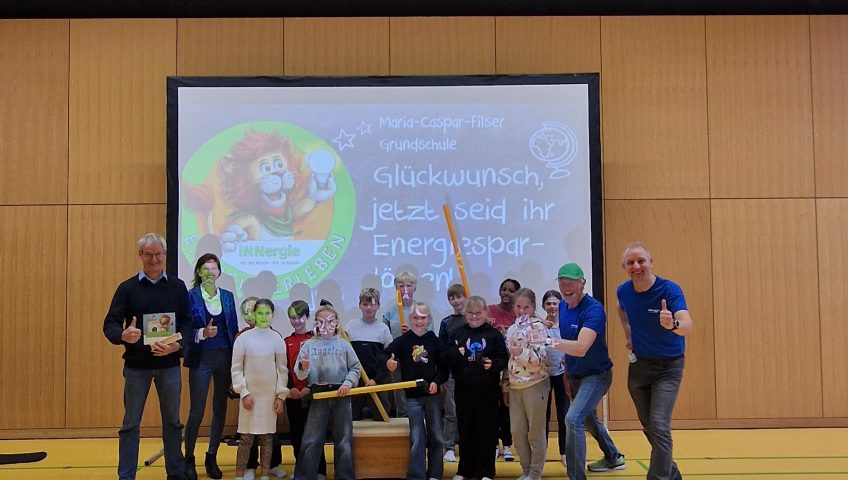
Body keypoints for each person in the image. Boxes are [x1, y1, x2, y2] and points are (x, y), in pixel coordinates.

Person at [102, 233, 190, 480]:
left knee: (173, 423)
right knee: (130, 424)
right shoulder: (127, 288)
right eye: (148, 254)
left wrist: (177, 346)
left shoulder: (177, 287)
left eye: (158, 254)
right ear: (140, 255)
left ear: (165, 255)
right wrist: (122, 335)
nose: (154, 259)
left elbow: (188, 323)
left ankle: (175, 473)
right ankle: (126, 476)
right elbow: (110, 324)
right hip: (136, 366)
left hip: (169, 365)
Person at [616, 243, 693, 480]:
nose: (636, 266)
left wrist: (672, 324)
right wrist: (628, 334)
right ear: (624, 267)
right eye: (630, 262)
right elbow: (621, 309)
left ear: (651, 262)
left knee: (658, 424)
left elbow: (687, 325)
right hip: (639, 366)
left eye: (641, 260)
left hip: (668, 368)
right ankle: (672, 473)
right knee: (650, 427)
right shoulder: (624, 291)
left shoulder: (670, 290)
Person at [551, 263, 625, 480]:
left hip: (597, 375)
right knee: (589, 419)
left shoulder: (593, 309)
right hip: (574, 374)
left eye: (571, 283)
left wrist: (547, 341)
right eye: (562, 283)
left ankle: (576, 476)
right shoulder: (563, 306)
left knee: (573, 418)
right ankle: (613, 457)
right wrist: (566, 374)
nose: (566, 288)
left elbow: (581, 348)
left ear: (582, 283)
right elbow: (568, 345)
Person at [183, 253, 240, 480]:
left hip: (224, 356)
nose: (210, 272)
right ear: (198, 272)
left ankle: (212, 455)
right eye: (205, 268)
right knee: (197, 410)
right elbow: (183, 329)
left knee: (220, 408)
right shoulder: (190, 296)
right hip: (202, 358)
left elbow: (234, 329)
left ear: (219, 272)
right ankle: (189, 458)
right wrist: (202, 333)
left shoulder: (227, 296)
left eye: (214, 268)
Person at [293, 305, 362, 480]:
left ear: (337, 323)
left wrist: (347, 383)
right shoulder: (309, 345)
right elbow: (299, 373)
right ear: (316, 323)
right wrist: (304, 367)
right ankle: (304, 476)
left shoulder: (344, 344)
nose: (326, 325)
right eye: (321, 322)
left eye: (330, 321)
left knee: (344, 440)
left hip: (341, 393)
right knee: (311, 439)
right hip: (319, 395)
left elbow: (355, 368)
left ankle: (345, 476)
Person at [444, 295, 508, 480]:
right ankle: (464, 470)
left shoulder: (493, 334)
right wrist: (455, 353)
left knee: (486, 430)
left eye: (478, 313)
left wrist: (493, 364)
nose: (474, 317)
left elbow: (503, 359)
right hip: (464, 389)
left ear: (485, 313)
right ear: (465, 313)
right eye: (470, 313)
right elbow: (446, 356)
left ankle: (486, 471)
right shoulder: (457, 333)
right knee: (465, 429)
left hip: (487, 390)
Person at [384, 301, 449, 480]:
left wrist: (437, 381)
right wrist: (388, 362)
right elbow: (385, 354)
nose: (419, 321)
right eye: (415, 317)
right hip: (412, 398)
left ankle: (435, 474)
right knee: (417, 437)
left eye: (423, 318)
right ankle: (417, 475)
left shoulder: (435, 341)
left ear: (428, 319)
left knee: (436, 436)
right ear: (410, 319)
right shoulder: (403, 341)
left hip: (432, 396)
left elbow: (444, 367)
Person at [231, 299, 289, 480]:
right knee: (246, 438)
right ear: (254, 315)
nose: (263, 317)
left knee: (267, 437)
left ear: (272, 315)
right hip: (249, 397)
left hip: (269, 397)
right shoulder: (243, 339)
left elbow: (282, 370)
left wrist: (281, 396)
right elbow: (236, 369)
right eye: (260, 313)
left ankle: (265, 474)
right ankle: (240, 474)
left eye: (267, 313)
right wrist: (244, 392)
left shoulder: (277, 339)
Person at [503, 288, 550, 480]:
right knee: (517, 431)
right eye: (518, 307)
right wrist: (506, 384)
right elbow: (509, 360)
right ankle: (526, 469)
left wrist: (521, 352)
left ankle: (535, 473)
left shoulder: (538, 327)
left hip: (535, 384)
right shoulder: (512, 329)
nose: (522, 311)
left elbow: (541, 357)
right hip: (516, 386)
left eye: (526, 307)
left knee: (535, 433)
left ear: (533, 307)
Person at [283, 301, 328, 480]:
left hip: (313, 395)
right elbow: (284, 368)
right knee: (297, 435)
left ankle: (320, 470)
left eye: (300, 317)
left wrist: (309, 388)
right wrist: (290, 388)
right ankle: (300, 469)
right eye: (293, 318)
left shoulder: (316, 339)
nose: (296, 321)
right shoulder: (286, 342)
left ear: (307, 316)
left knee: (316, 434)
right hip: (293, 396)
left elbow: (321, 367)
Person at [347, 288, 392, 420]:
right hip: (355, 380)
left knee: (382, 416)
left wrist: (376, 380)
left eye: (372, 304)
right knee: (352, 417)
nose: (368, 308)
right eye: (365, 304)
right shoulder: (350, 327)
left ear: (378, 306)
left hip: (376, 381)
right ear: (359, 305)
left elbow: (388, 359)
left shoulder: (383, 329)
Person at [487, 278, 519, 462]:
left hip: (512, 369)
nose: (506, 293)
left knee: (507, 409)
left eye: (511, 290)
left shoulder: (519, 314)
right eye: (504, 289)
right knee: (491, 408)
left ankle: (507, 444)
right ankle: (492, 445)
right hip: (492, 367)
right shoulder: (489, 311)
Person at [437, 283, 467, 463]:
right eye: (452, 298)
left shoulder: (472, 319)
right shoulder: (446, 322)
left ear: (465, 297)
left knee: (468, 411)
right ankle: (448, 446)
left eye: (458, 297)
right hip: (451, 373)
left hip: (470, 374)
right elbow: (441, 352)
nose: (455, 301)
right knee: (451, 411)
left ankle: (467, 445)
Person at [382, 271, 418, 417]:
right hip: (397, 358)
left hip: (417, 357)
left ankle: (418, 417)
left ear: (414, 288)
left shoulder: (421, 310)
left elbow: (429, 335)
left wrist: (412, 333)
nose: (405, 289)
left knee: (415, 388)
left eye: (409, 285)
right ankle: (402, 416)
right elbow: (385, 336)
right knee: (399, 389)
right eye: (401, 286)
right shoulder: (390, 312)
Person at [541, 289, 570, 469]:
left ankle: (564, 452)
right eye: (548, 303)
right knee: (543, 416)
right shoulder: (540, 326)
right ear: (544, 306)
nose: (552, 306)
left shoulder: (566, 325)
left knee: (563, 414)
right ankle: (542, 452)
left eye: (555, 303)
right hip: (543, 375)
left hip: (562, 374)